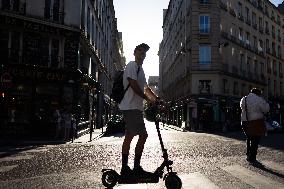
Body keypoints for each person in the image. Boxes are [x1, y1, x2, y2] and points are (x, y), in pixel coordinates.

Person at [119, 43, 160, 177]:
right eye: (140, 52)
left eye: (144, 53)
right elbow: (133, 85)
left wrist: (157, 99)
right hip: (130, 107)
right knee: (143, 135)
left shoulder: (141, 70)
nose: (143, 55)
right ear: (135, 52)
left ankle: (126, 169)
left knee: (129, 137)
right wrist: (146, 99)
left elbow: (146, 89)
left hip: (135, 108)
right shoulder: (131, 65)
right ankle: (135, 168)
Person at [240, 88, 270, 165]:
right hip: (255, 122)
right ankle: (252, 157)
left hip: (244, 122)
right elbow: (266, 109)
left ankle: (248, 154)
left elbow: (242, 107)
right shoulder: (259, 99)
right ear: (258, 93)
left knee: (249, 138)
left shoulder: (244, 98)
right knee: (255, 140)